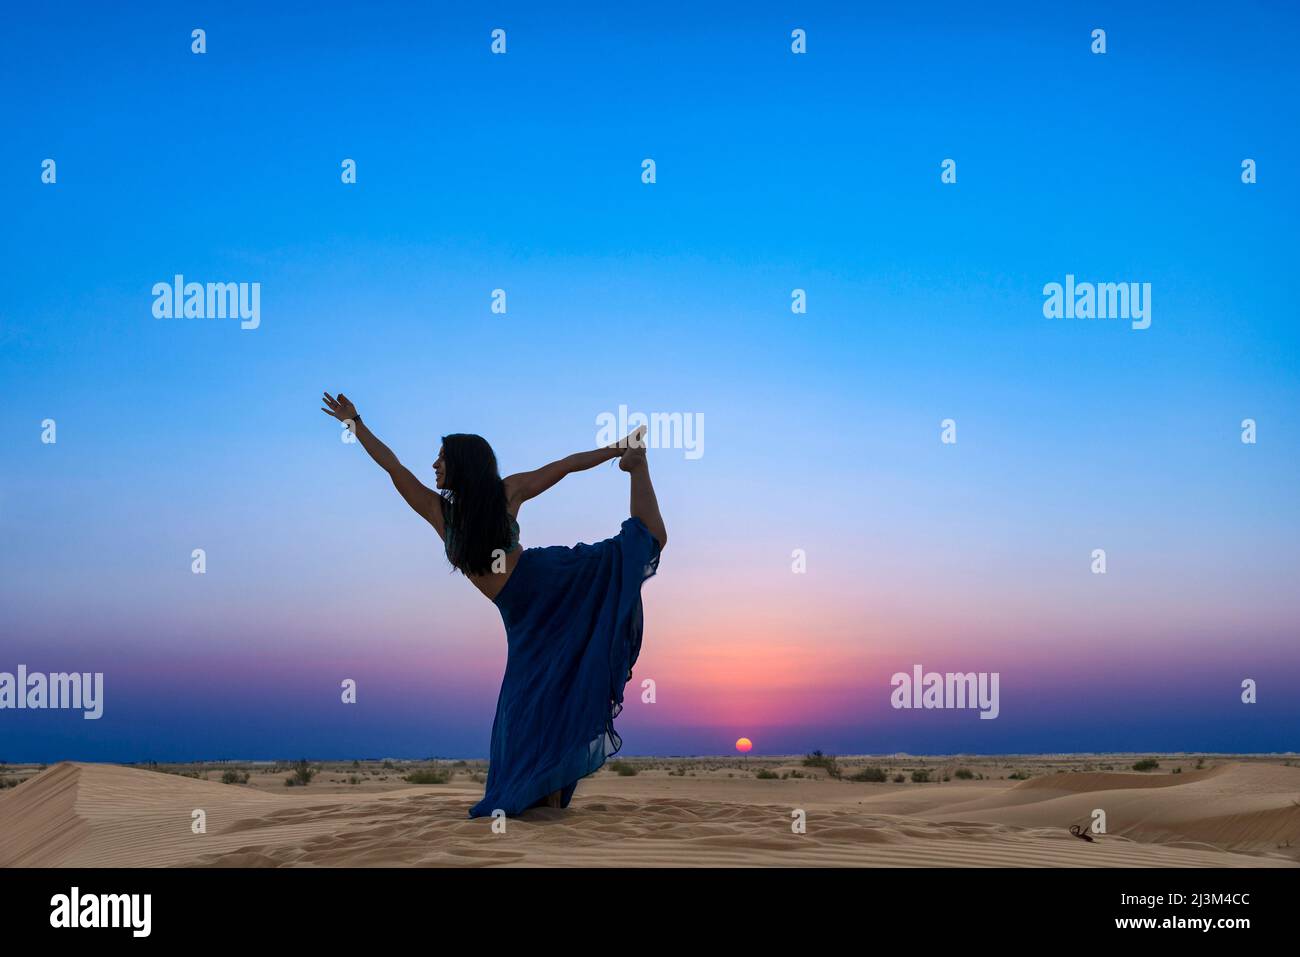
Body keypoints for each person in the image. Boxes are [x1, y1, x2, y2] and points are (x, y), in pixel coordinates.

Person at [320, 392, 665, 816]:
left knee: (638, 547)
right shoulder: (439, 512)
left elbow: (564, 466)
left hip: (550, 584)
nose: (434, 464)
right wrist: (354, 423)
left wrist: (618, 449)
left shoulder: (507, 492)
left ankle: (638, 466)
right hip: (521, 619)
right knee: (526, 704)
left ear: (463, 462)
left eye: (442, 457)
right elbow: (392, 466)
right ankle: (541, 793)